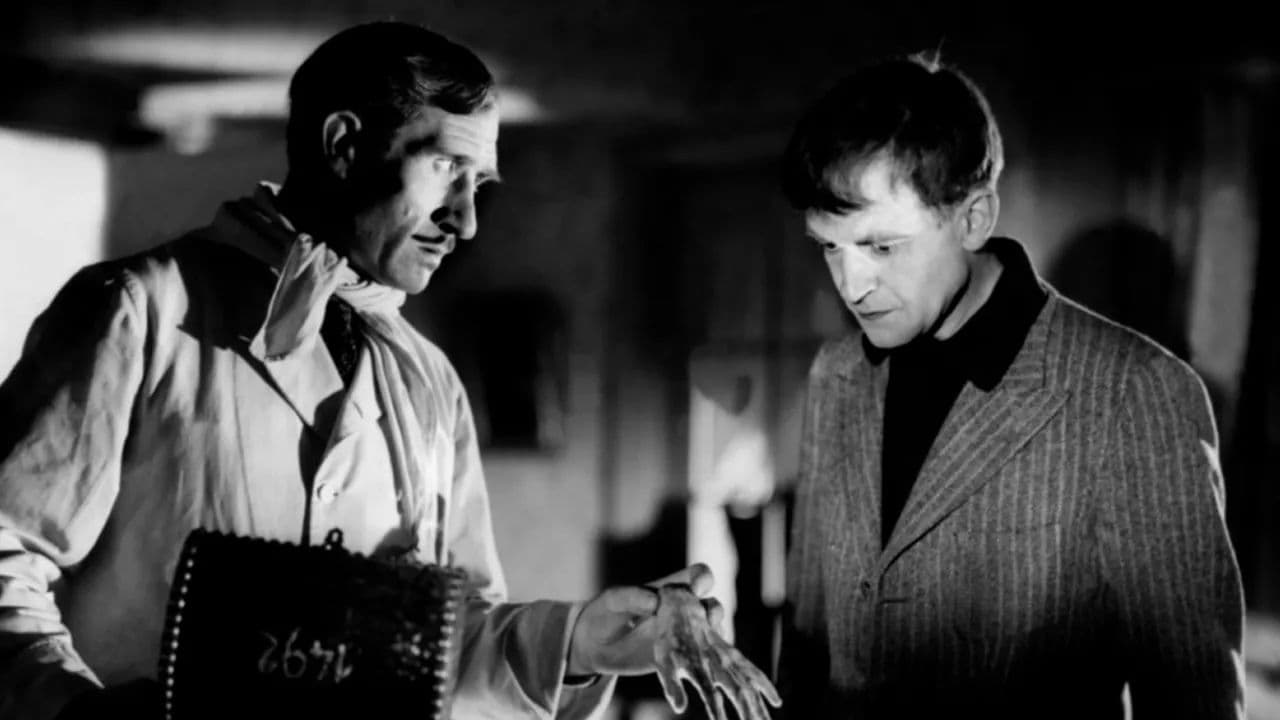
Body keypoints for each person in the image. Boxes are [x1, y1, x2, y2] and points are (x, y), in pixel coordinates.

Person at [0, 21, 722, 720]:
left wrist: (581, 643)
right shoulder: (140, 310)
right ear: (344, 145)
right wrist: (75, 711)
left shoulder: (431, 383)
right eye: (446, 168)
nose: (466, 220)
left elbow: (444, 643)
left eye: (479, 184)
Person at [774, 54, 1245, 718]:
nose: (852, 286)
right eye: (829, 247)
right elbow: (805, 658)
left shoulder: (1134, 392)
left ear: (974, 218)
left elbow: (1193, 702)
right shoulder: (836, 375)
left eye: (881, 247)